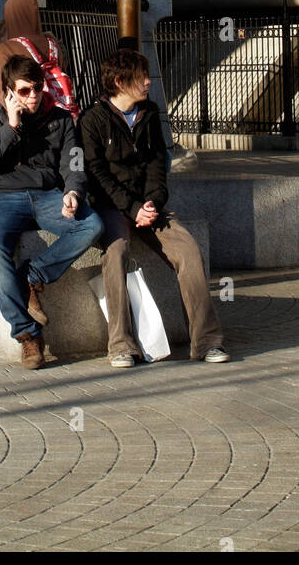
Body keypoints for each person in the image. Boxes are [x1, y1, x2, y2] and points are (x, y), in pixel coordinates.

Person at [78, 47, 229, 369]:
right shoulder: (92, 120)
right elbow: (96, 174)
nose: (148, 81)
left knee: (188, 250)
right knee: (116, 254)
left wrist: (152, 203)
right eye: (140, 76)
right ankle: (121, 345)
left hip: (149, 206)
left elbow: (159, 162)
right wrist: (131, 208)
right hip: (112, 207)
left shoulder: (150, 112)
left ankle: (207, 341)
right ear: (119, 82)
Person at [0, 53, 104, 369]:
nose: (32, 97)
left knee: (92, 225)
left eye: (37, 89)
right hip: (3, 197)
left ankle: (33, 275)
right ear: (8, 91)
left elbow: (74, 163)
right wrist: (11, 126)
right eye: (24, 91)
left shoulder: (58, 118)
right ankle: (28, 335)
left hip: (48, 195)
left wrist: (73, 190)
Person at [0, 0, 69, 102]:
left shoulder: (7, 48)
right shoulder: (53, 44)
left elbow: (2, 93)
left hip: (24, 114)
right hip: (55, 112)